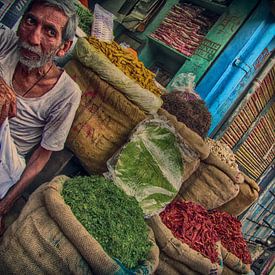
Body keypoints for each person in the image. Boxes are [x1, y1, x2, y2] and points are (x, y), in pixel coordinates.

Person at [0, 0, 81, 234]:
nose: (33, 38)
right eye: (30, 21)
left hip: (5, 161)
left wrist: (6, 205)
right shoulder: (5, 41)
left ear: (63, 47)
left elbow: (41, 156)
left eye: (50, 32)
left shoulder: (67, 93)